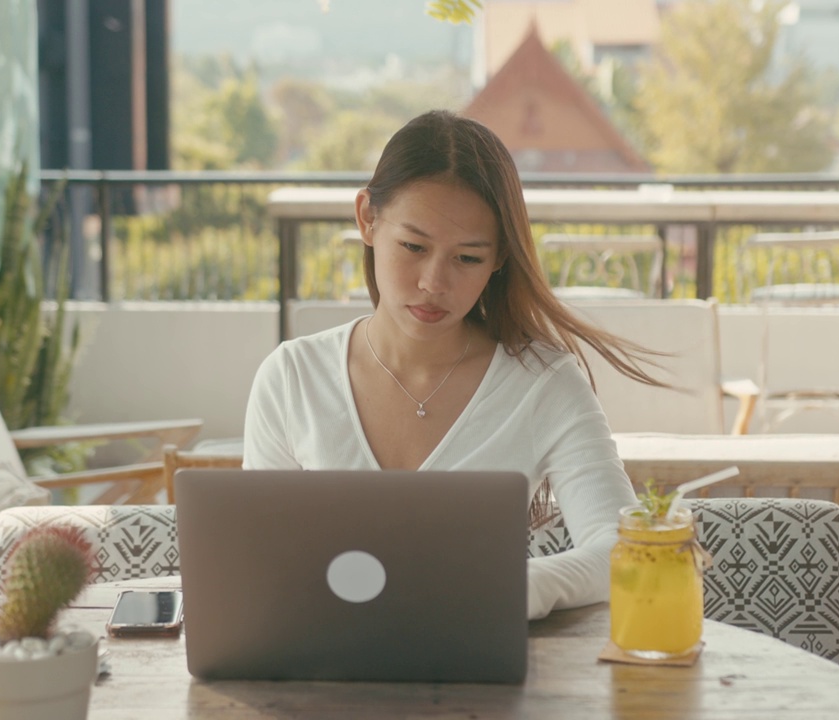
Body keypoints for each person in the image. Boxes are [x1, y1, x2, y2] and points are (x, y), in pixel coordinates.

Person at [243, 110, 664, 620]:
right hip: (320, 674)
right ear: (366, 219)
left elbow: (622, 546)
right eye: (413, 247)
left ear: (500, 257)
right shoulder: (292, 378)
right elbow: (257, 560)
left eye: (467, 258)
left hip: (484, 681)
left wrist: (524, 585)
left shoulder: (544, 384)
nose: (433, 283)